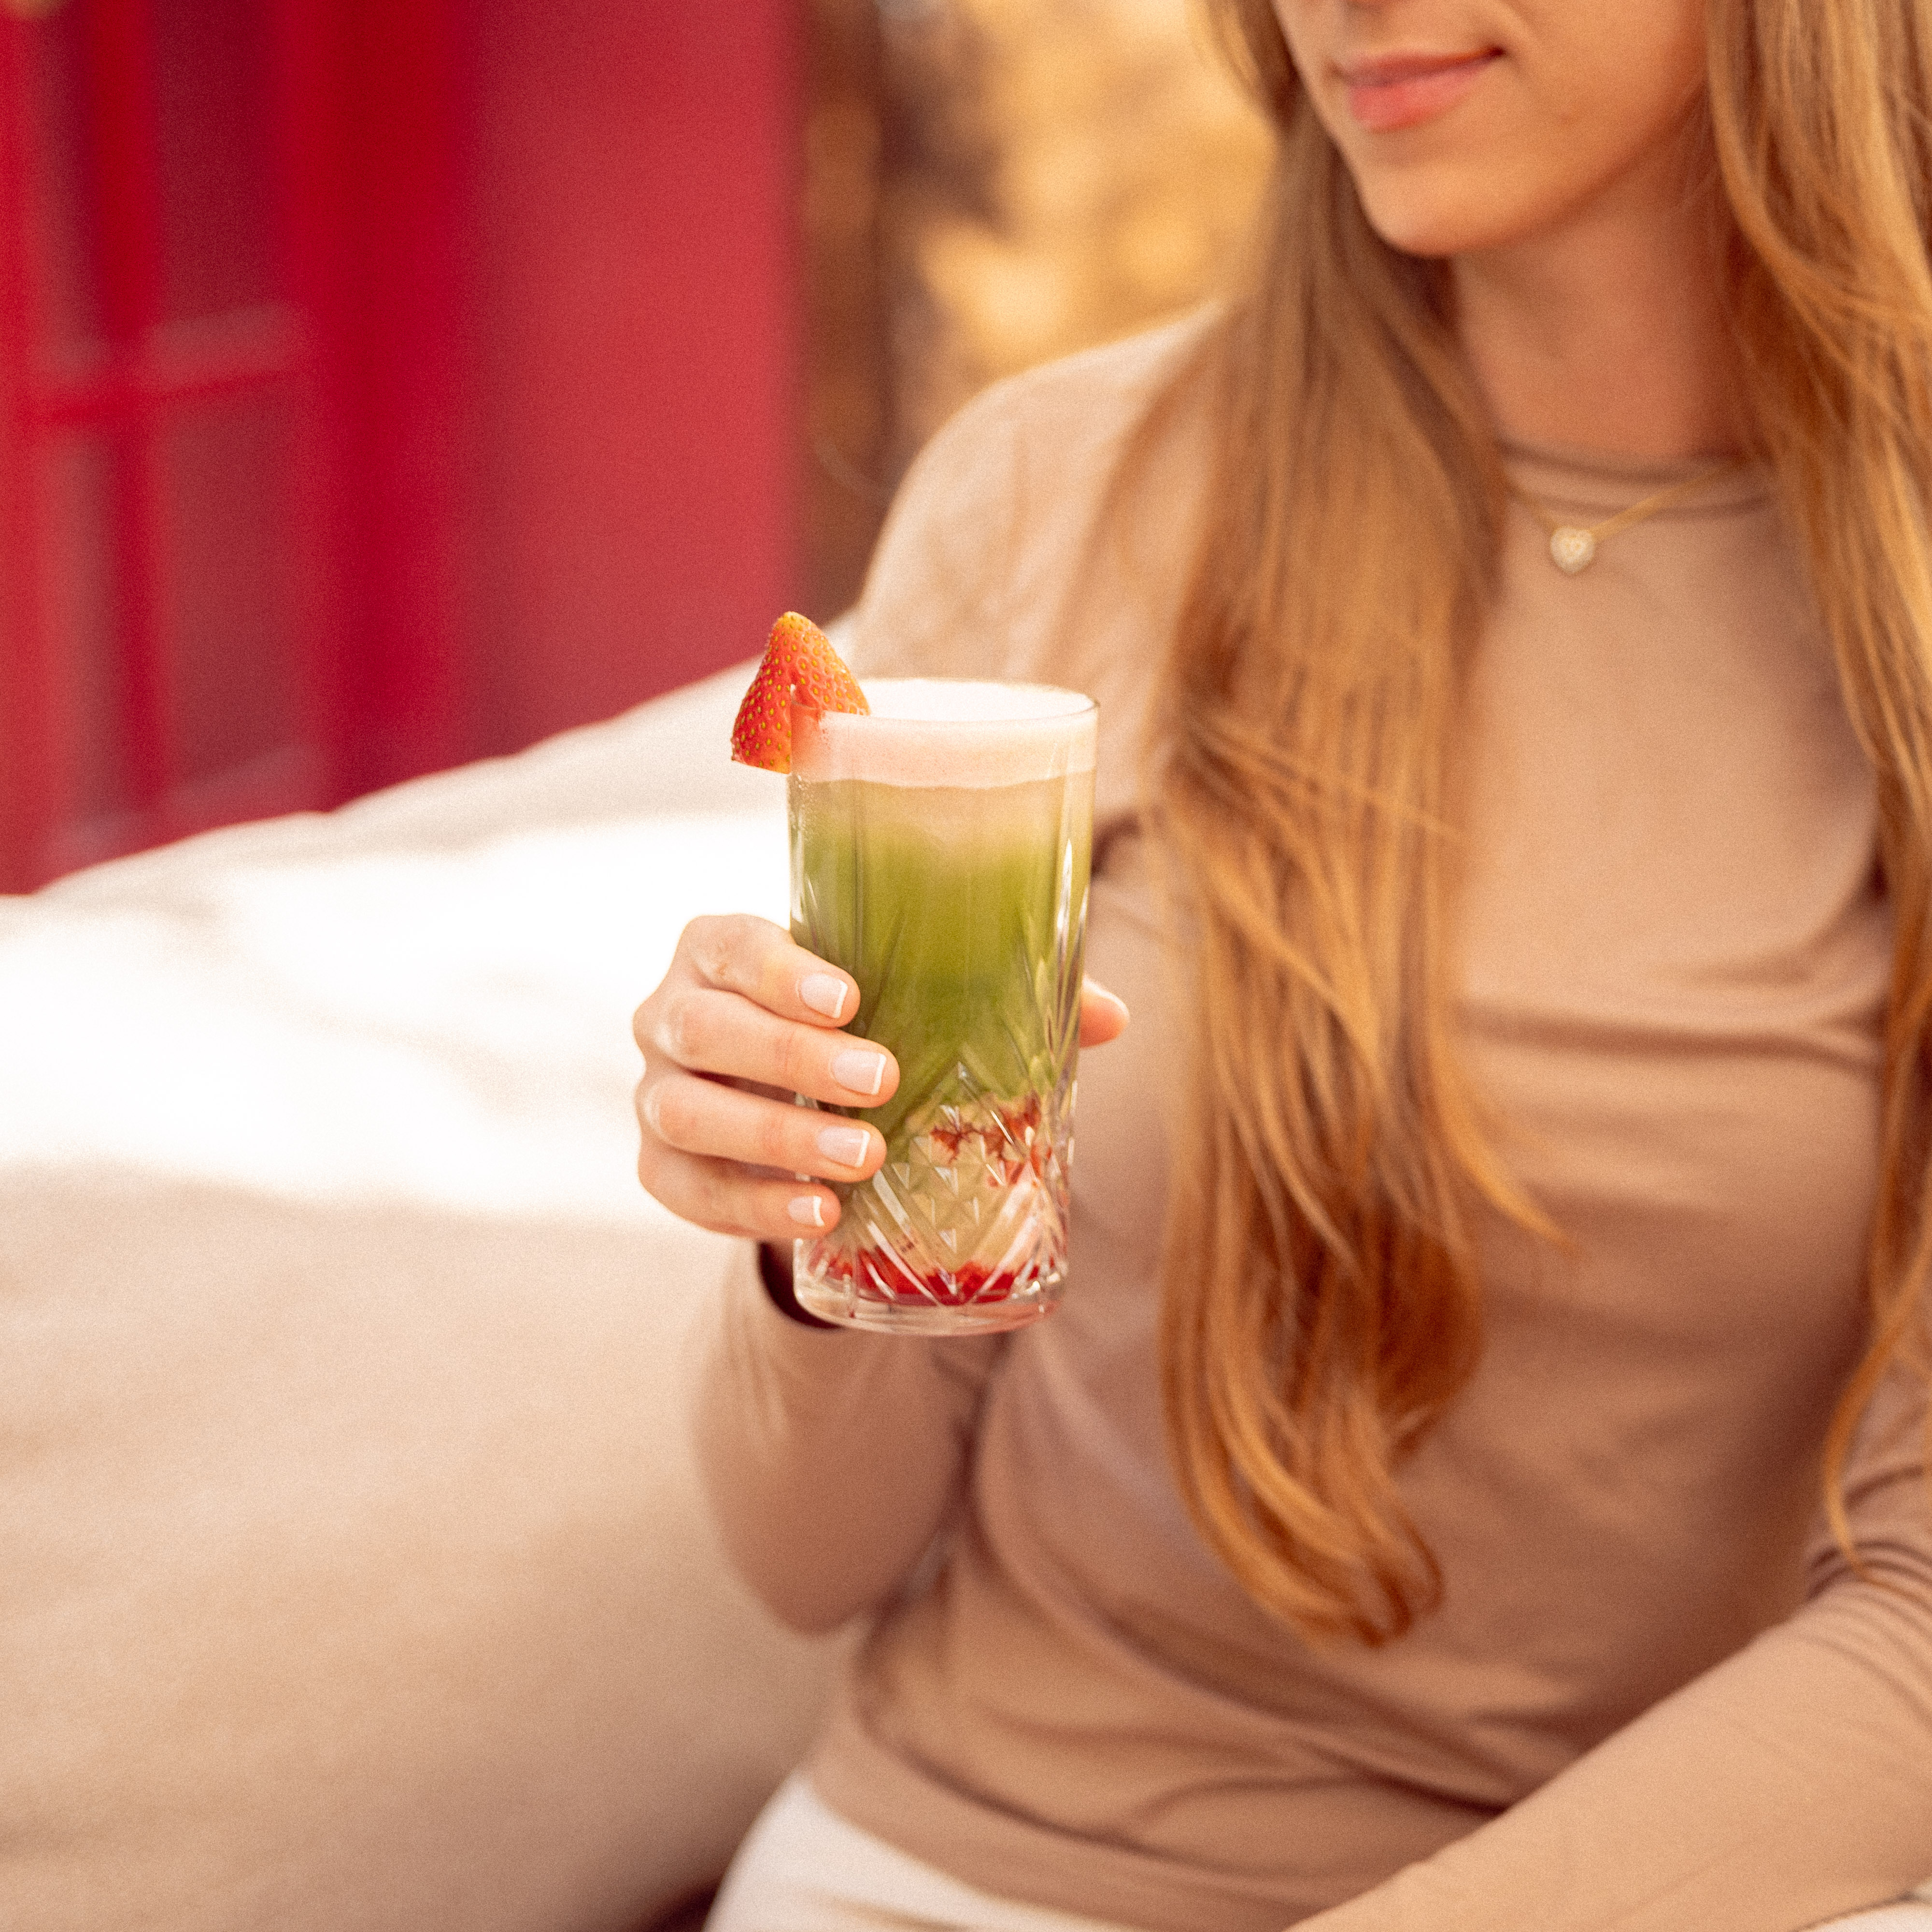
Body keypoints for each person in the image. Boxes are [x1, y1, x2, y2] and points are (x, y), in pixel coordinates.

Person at [630, 0, 1932, 1925]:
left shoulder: (1885, 609)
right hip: (954, 1871)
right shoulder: (1055, 487)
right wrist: (810, 1236)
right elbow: (810, 1552)